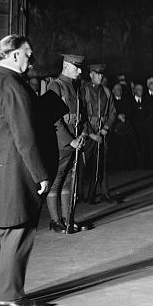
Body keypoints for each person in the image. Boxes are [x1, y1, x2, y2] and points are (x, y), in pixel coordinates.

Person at [0, 35, 53, 306]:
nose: (31, 59)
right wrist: (40, 174)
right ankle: (10, 294)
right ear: (13, 55)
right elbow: (25, 137)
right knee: (19, 231)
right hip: (14, 169)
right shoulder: (13, 86)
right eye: (27, 53)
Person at [45, 54, 89, 234]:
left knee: (69, 182)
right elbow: (53, 118)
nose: (79, 71)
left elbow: (82, 115)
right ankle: (55, 221)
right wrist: (70, 140)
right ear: (65, 66)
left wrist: (83, 135)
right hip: (61, 143)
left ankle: (68, 219)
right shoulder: (55, 86)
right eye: (76, 67)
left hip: (76, 142)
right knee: (56, 181)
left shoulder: (75, 87)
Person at [82, 64, 117, 203]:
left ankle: (104, 192)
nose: (100, 76)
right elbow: (82, 113)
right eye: (97, 74)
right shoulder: (84, 90)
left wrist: (105, 129)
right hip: (88, 133)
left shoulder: (107, 92)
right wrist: (90, 133)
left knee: (101, 165)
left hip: (102, 133)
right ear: (91, 75)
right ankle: (80, 194)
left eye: (102, 74)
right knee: (82, 166)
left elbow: (113, 113)